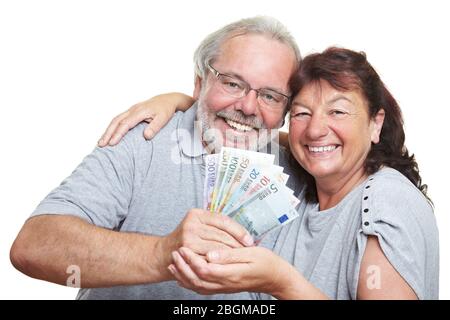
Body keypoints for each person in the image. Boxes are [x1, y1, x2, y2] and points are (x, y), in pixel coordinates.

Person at [98, 47, 439, 299]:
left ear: (375, 123)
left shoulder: (384, 198)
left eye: (338, 111)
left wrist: (281, 282)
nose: (317, 129)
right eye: (303, 113)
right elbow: (250, 126)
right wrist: (187, 101)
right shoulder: (307, 191)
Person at [9, 16, 301, 299]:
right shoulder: (145, 140)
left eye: (270, 96)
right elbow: (33, 247)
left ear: (287, 111)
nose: (249, 107)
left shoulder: (305, 172)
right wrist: (163, 252)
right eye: (232, 84)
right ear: (199, 83)